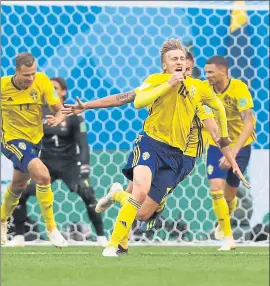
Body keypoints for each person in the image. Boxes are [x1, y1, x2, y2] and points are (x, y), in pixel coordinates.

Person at [63, 39, 249, 256]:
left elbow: (217, 132)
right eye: (176, 60)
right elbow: (129, 99)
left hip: (180, 158)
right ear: (165, 65)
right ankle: (115, 245)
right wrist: (86, 105)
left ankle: (117, 195)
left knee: (140, 212)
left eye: (185, 62)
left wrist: (233, 160)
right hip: (150, 143)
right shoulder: (155, 82)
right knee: (139, 191)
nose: (182, 65)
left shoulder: (197, 92)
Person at [10, 77, 108, 247]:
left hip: (69, 163)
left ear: (63, 92)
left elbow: (83, 144)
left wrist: (84, 167)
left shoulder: (72, 115)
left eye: (55, 88)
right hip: (45, 162)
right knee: (21, 192)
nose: (51, 90)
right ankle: (19, 237)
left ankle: (101, 237)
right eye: (49, 88)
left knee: (87, 192)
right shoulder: (37, 113)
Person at [1, 52, 67, 247]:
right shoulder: (3, 86)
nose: (30, 78)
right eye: (26, 75)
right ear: (16, 72)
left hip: (34, 140)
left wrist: (58, 118)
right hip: (11, 139)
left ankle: (2, 219)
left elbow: (60, 109)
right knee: (43, 176)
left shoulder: (42, 81)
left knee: (18, 185)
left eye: (33, 73)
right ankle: (52, 229)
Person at [204, 55, 256, 250]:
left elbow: (249, 122)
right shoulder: (205, 89)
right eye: (206, 72)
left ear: (223, 72)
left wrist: (233, 152)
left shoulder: (239, 89)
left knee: (229, 196)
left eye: (211, 72)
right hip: (217, 144)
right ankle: (228, 238)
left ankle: (222, 221)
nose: (207, 76)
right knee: (215, 187)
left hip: (240, 146)